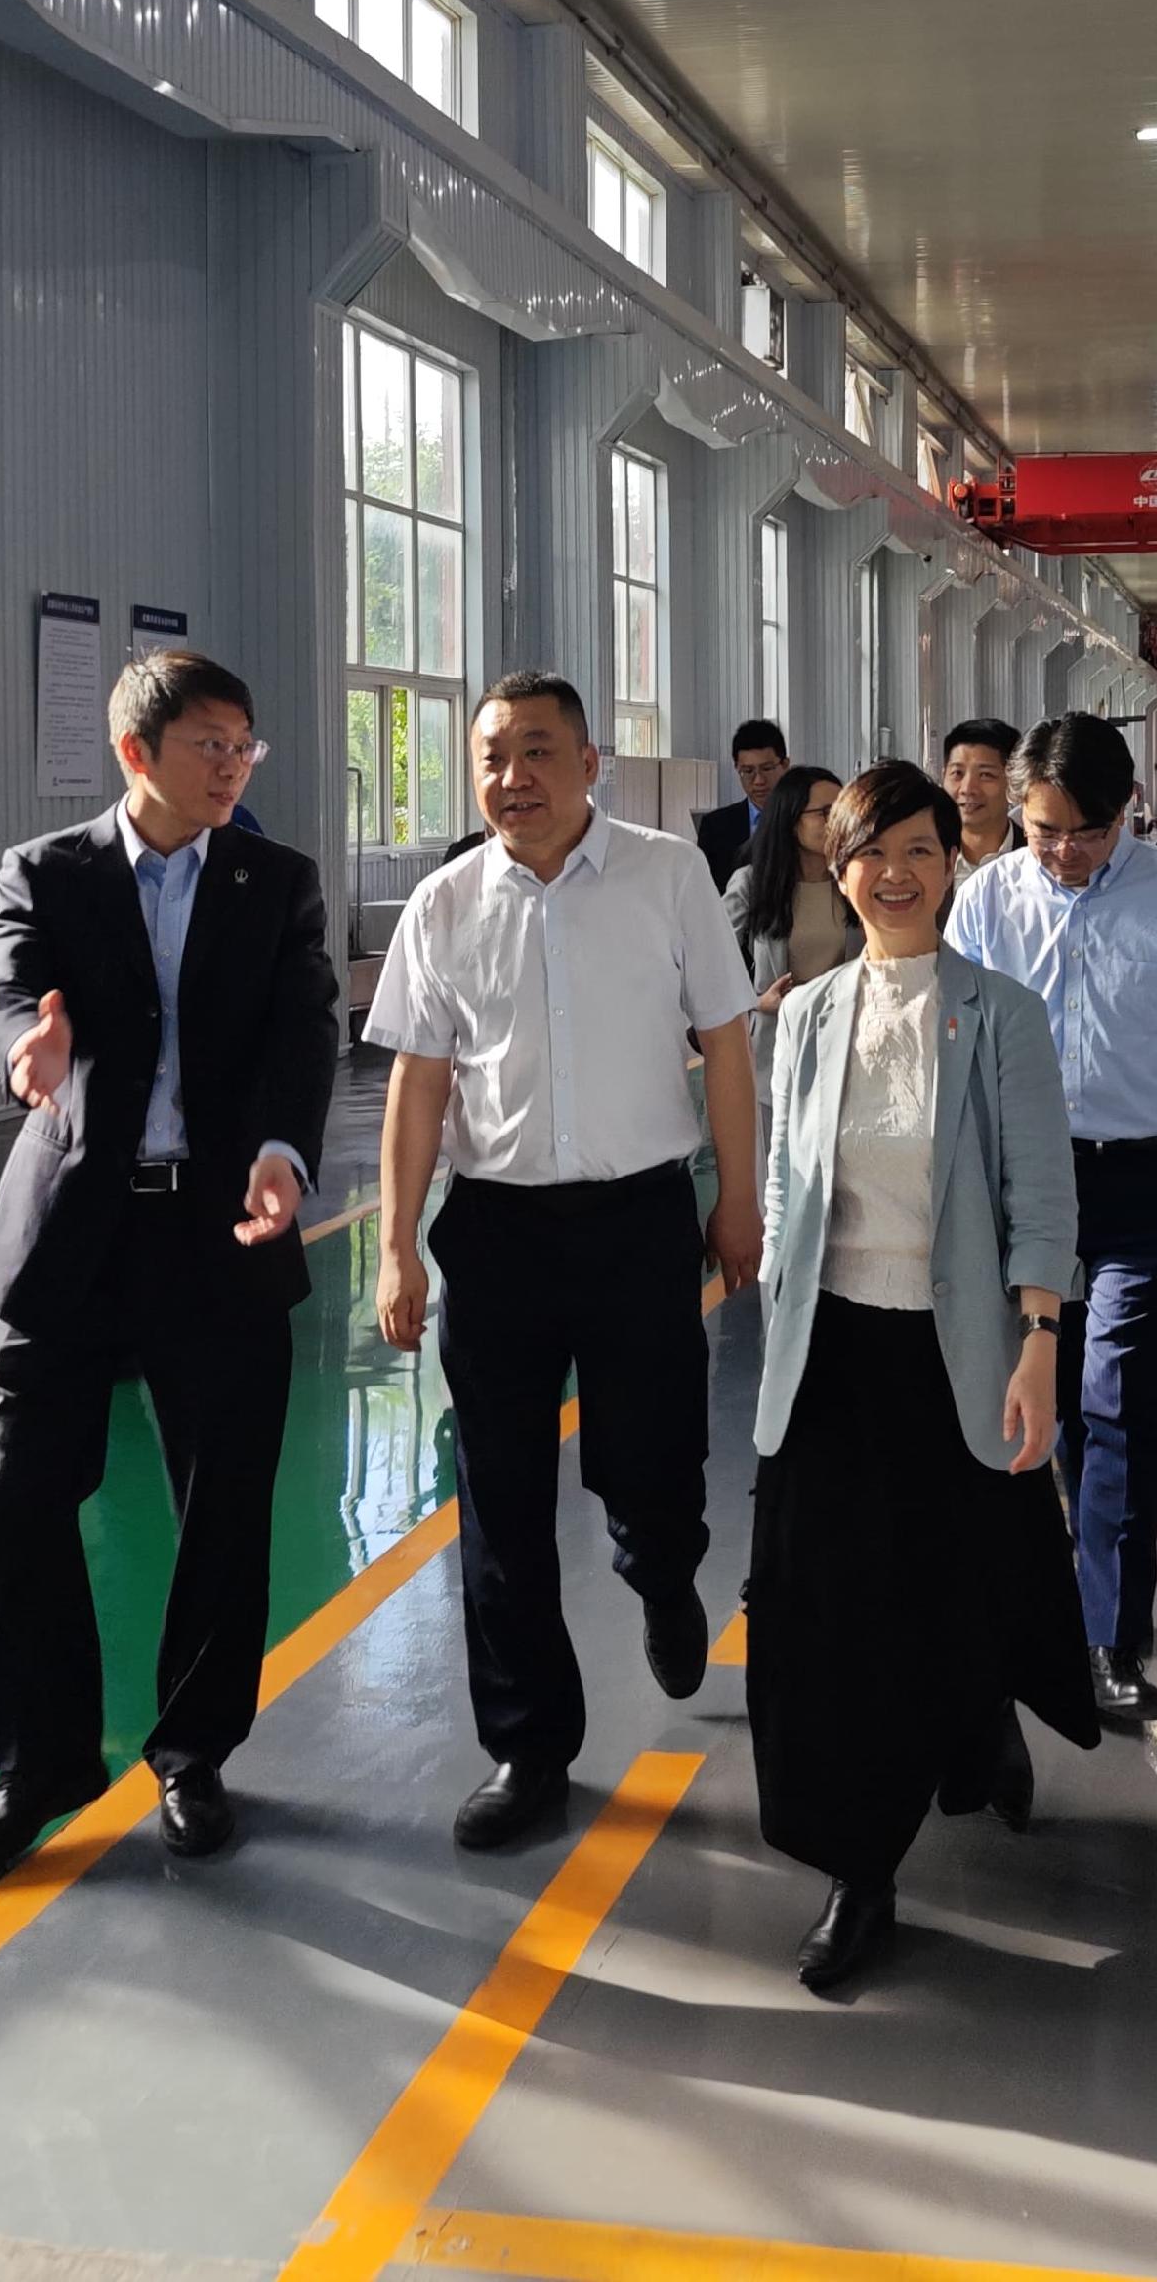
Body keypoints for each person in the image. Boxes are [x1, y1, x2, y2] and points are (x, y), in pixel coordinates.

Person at [0, 650, 338, 1889]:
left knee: (223, 1501)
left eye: (243, 747)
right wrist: (26, 1050)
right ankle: (38, 1764)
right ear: (136, 753)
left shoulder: (278, 881)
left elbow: (302, 1022)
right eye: (208, 745)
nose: (231, 767)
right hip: (72, 1230)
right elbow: (3, 990)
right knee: (15, 1496)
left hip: (218, 1232)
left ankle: (193, 1751)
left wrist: (278, 1151)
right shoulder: (45, 872)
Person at [366, 670, 763, 1852]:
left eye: (537, 752)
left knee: (652, 1458)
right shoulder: (442, 906)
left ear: (590, 764)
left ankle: (661, 1564)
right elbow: (416, 1082)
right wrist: (396, 1248)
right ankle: (529, 1744)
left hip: (640, 1220)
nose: (511, 778)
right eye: (491, 757)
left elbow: (726, 1047)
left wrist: (737, 1202)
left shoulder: (666, 875)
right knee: (500, 1502)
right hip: (494, 1234)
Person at [748, 760, 1097, 1995]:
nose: (892, 876)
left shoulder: (999, 1014)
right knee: (835, 1618)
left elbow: (1042, 1197)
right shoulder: (804, 1014)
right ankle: (861, 1868)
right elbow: (789, 1181)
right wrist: (773, 1313)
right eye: (868, 853)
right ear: (834, 871)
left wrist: (1042, 1346)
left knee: (952, 1589)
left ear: (953, 864)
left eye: (917, 851)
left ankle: (982, 1722)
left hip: (953, 1352)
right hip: (832, 1351)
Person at [943, 713, 1157, 1729]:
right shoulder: (986, 901)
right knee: (1026, 1417)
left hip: (1144, 1192)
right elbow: (951, 1041)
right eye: (1039, 830)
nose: (1059, 853)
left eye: (1080, 833)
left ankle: (1108, 1639)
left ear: (1125, 811)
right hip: (1022, 1193)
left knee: (1113, 1406)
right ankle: (1013, 1614)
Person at [727, 764, 849, 1121]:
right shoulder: (753, 883)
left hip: (845, 1049)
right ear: (792, 820)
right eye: (825, 813)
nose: (836, 822)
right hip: (776, 1051)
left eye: (842, 811)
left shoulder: (855, 881)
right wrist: (754, 1001)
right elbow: (705, 959)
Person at [695, 718, 792, 885]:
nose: (758, 780)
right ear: (737, 768)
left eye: (767, 769)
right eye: (748, 771)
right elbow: (707, 891)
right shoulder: (715, 826)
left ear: (785, 765)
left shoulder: (806, 818)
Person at [940, 717, 1021, 873]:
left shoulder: (1038, 858)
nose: (968, 788)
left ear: (1013, 781)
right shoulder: (928, 856)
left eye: (985, 775)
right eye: (957, 773)